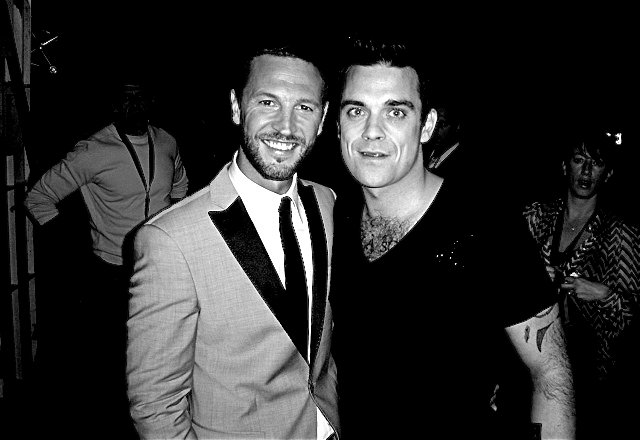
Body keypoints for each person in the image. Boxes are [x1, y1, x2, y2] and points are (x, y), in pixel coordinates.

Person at [329, 35, 576, 439]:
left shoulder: (484, 226)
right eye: (357, 110)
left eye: (395, 112)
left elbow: (550, 372)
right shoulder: (332, 217)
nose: (372, 131)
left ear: (426, 125)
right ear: (337, 123)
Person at [126, 36, 340, 439]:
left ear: (324, 117)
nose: (286, 127)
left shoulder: (327, 203)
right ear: (236, 106)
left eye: (304, 107)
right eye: (267, 102)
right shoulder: (170, 241)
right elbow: (156, 405)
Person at [24, 79, 189, 438]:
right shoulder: (93, 150)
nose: (134, 104)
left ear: (151, 100)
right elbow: (37, 198)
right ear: (114, 105)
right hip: (112, 273)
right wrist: (71, 248)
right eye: (125, 98)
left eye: (140, 96)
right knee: (114, 361)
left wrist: (176, 231)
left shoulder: (167, 141)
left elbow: (179, 186)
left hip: (161, 268)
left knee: (161, 353)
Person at [522, 127, 640, 439]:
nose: (586, 171)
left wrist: (604, 294)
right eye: (579, 160)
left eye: (596, 163)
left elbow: (631, 315)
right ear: (565, 167)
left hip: (586, 376)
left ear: (609, 173)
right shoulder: (535, 217)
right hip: (527, 363)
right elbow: (498, 281)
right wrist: (532, 275)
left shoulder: (620, 234)